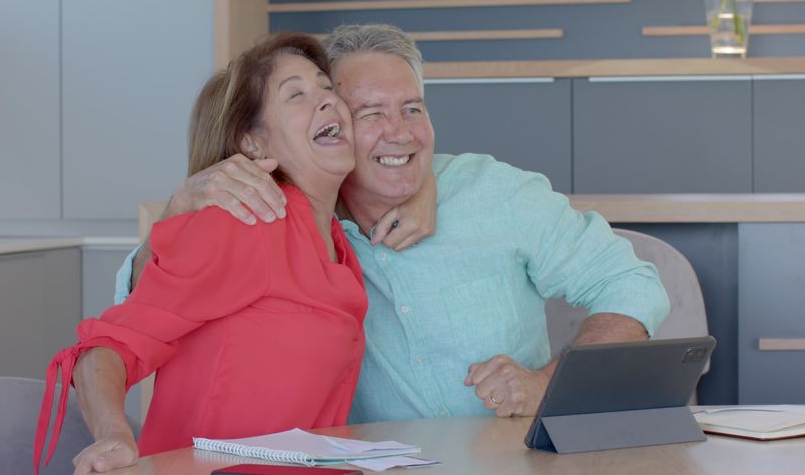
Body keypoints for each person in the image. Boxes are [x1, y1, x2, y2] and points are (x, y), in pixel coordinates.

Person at [116, 23, 670, 424]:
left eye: (413, 108)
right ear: (327, 122)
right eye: (369, 114)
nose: (400, 132)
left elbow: (632, 285)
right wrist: (179, 206)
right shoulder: (284, 217)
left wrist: (547, 385)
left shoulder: (495, 192)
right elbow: (138, 299)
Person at [34, 32, 369, 474]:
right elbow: (107, 348)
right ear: (254, 144)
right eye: (297, 95)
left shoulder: (339, 242)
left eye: (327, 87)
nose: (326, 101)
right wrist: (115, 434)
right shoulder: (246, 223)